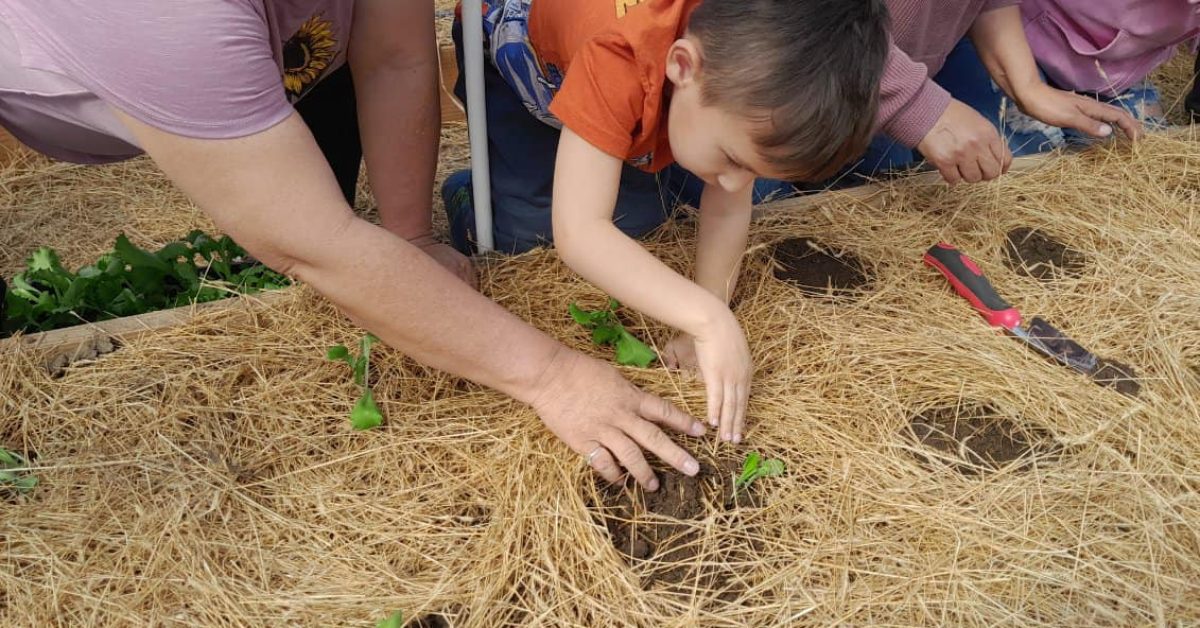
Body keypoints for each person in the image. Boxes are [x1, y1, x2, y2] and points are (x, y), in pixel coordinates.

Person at [0, 0, 707, 492]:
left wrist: (411, 236)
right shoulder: (167, 20)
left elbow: (399, 56)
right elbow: (313, 243)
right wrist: (553, 377)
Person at [443, 0, 891, 445]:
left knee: (651, 209)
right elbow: (579, 232)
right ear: (681, 65)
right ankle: (470, 193)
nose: (738, 184)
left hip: (625, 82)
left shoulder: (738, 69)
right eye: (733, 159)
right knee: (530, 235)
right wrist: (709, 318)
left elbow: (730, 202)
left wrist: (700, 313)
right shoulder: (619, 56)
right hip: (519, 59)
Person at [861, 0, 1143, 185]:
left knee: (891, 185)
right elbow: (821, 21)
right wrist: (915, 104)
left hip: (881, 94)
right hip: (841, 88)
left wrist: (1027, 85)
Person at [1016, 0, 1200, 137]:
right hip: (1017, 44)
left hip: (1116, 69)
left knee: (1141, 147)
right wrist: (1028, 87)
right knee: (1021, 157)